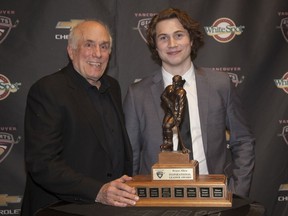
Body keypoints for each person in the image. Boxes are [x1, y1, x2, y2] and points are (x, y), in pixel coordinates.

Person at [123, 8, 255, 197]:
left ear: (191, 40)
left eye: (179, 35)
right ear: (155, 45)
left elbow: (243, 141)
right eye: (163, 38)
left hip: (211, 196)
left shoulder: (220, 84)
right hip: (157, 199)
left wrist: (236, 192)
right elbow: (131, 156)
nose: (172, 44)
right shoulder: (137, 94)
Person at [21, 20, 139, 216]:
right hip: (60, 209)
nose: (97, 54)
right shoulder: (48, 90)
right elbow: (42, 163)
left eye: (104, 46)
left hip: (109, 208)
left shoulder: (113, 87)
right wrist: (98, 191)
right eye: (89, 44)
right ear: (71, 50)